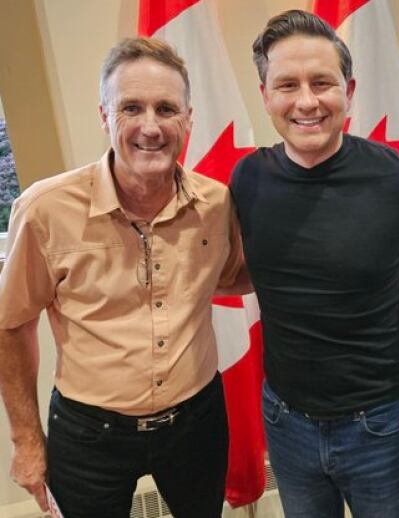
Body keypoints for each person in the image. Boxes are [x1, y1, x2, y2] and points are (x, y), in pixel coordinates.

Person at [0, 38, 245, 518]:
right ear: (105, 116)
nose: (150, 127)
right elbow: (10, 324)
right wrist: (26, 440)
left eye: (166, 108)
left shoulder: (217, 205)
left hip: (197, 421)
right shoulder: (45, 210)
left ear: (188, 120)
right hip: (90, 435)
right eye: (131, 107)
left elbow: (234, 276)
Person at [229, 10, 399, 518]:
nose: (307, 101)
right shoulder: (248, 179)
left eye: (322, 82)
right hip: (286, 420)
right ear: (265, 96)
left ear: (348, 89)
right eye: (287, 85)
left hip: (380, 423)